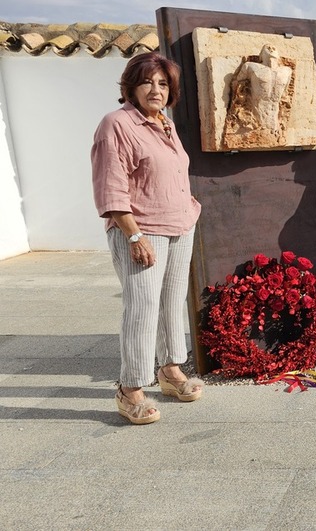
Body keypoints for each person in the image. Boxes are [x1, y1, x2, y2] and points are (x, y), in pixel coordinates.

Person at [91, 52, 204, 425]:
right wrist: (135, 235)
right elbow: (111, 187)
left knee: (172, 303)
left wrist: (188, 206)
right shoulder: (117, 124)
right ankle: (130, 389)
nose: (156, 89)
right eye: (147, 82)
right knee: (141, 310)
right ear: (131, 86)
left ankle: (170, 371)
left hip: (179, 226)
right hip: (141, 231)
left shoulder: (164, 124)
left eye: (163, 83)